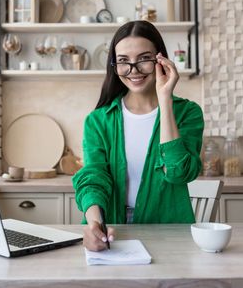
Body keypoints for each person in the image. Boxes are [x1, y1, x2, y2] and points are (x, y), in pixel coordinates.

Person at [72, 20, 204, 251]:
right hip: (112, 228)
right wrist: (95, 224)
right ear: (114, 65)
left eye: (144, 59)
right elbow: (93, 177)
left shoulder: (187, 113)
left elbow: (178, 173)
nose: (133, 70)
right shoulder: (98, 120)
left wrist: (165, 100)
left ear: (160, 60)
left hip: (167, 230)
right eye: (123, 61)